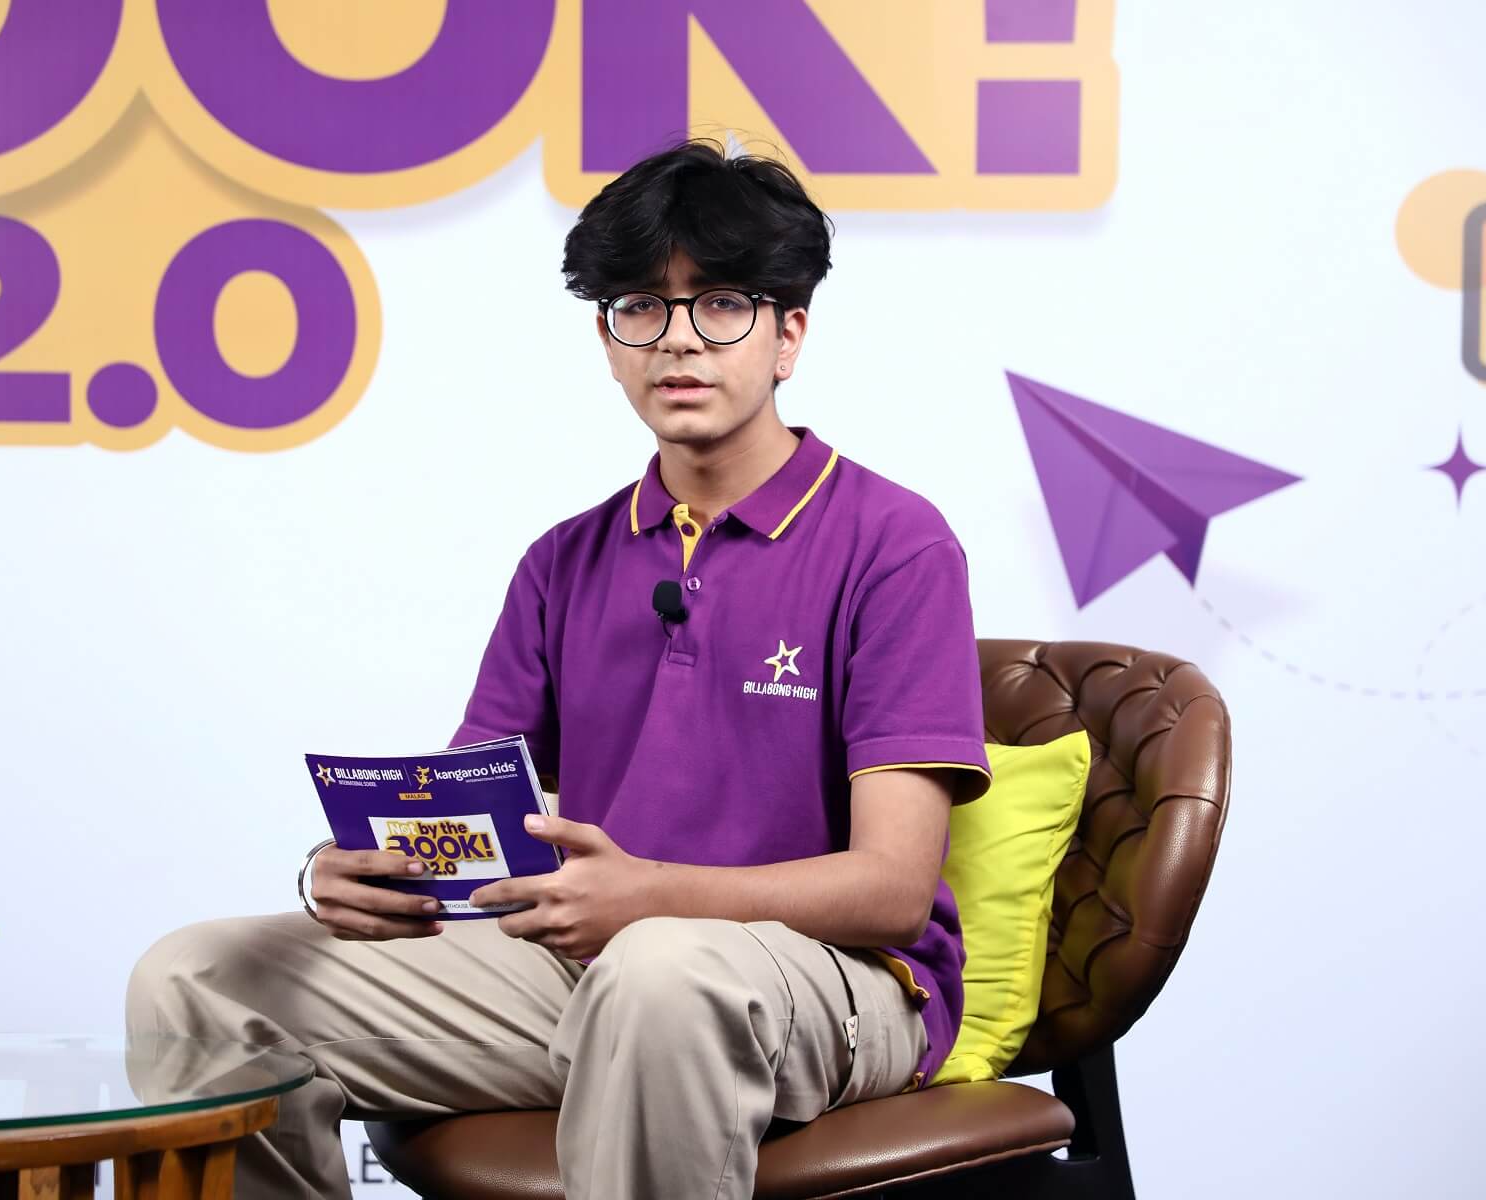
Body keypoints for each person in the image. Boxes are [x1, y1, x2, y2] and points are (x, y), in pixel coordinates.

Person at [125, 138, 990, 1200]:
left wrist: (649, 899)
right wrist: (348, 872)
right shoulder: (564, 562)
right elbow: (468, 826)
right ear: (608, 342)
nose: (679, 340)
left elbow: (893, 891)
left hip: (835, 982)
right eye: (641, 308)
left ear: (789, 336)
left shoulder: (895, 544)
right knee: (199, 981)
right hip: (585, 971)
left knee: (661, 974)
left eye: (723, 304)